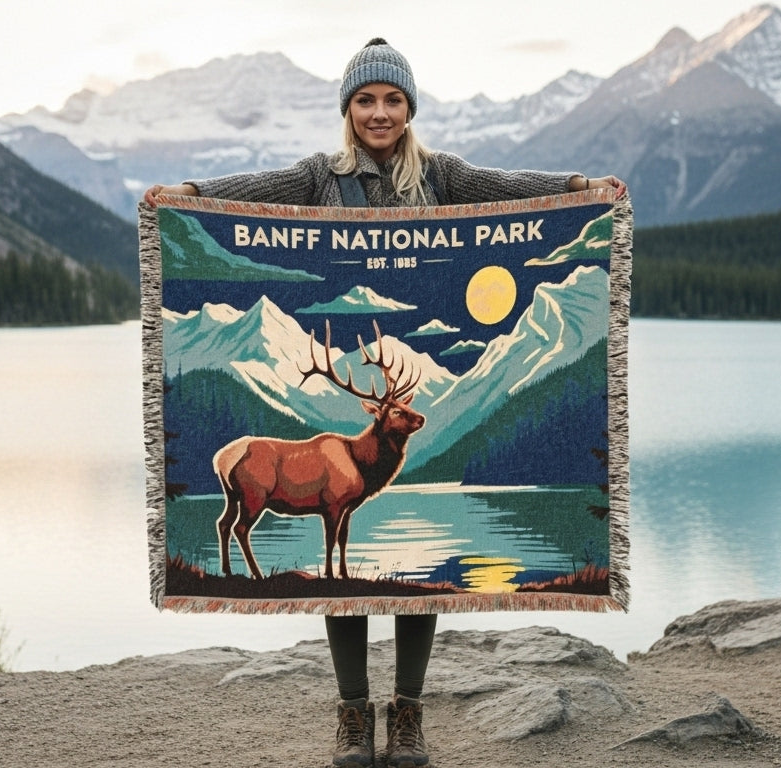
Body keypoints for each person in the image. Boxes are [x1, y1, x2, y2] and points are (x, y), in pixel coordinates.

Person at [144, 37, 625, 768]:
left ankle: (407, 713)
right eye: (365, 100)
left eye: (393, 100)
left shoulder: (443, 177)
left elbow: (506, 188)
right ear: (348, 109)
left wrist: (579, 185)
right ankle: (351, 712)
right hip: (343, 415)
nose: (379, 113)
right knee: (339, 583)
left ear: (409, 108)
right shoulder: (319, 178)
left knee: (416, 585)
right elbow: (256, 189)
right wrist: (191, 196)